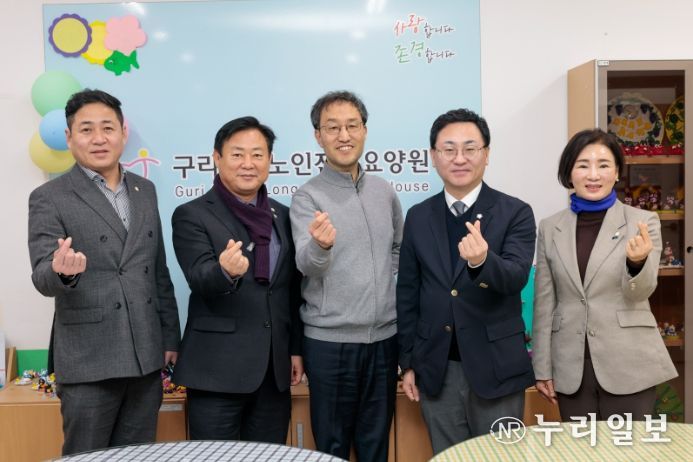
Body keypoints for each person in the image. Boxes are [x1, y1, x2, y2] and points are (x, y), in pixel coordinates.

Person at [28, 89, 180, 455]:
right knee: (86, 456)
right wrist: (62, 272)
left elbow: (157, 271)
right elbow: (42, 277)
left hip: (145, 355)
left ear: (123, 134)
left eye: (108, 128)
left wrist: (169, 338)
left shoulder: (145, 190)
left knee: (138, 454)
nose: (99, 138)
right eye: (87, 129)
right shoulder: (50, 196)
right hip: (88, 359)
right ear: (69, 138)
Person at [397, 108, 536, 454]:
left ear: (486, 154)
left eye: (470, 148)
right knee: (447, 457)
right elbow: (408, 293)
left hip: (496, 367)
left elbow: (516, 277)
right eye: (449, 149)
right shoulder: (418, 216)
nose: (459, 158)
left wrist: (482, 262)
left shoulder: (515, 212)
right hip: (437, 369)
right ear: (433, 156)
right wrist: (408, 362)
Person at [171, 116, 303, 443]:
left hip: (273, 372)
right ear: (217, 158)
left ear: (270, 160)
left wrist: (295, 350)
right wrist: (225, 271)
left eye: (257, 154)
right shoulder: (192, 214)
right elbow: (198, 277)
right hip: (216, 371)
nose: (248, 163)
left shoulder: (283, 215)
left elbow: (290, 290)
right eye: (237, 154)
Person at [532, 128, 677, 421]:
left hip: (629, 361)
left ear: (617, 172)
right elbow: (545, 302)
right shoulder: (550, 227)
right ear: (569, 172)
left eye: (603, 165)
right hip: (570, 365)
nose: (593, 175)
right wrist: (542, 368)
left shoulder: (642, 221)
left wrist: (636, 263)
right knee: (579, 445)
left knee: (627, 444)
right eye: (583, 165)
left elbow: (642, 291)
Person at [290, 91, 403, 461]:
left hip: (384, 340)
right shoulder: (308, 197)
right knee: (332, 448)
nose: (344, 136)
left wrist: (381, 285)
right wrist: (320, 246)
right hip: (329, 343)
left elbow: (397, 249)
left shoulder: (384, 192)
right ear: (318, 136)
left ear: (364, 131)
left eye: (352, 126)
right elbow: (306, 264)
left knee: (376, 446)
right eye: (332, 127)